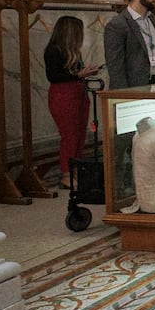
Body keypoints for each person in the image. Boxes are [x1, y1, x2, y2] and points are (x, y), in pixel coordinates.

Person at [44, 16, 100, 189]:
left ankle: (76, 169)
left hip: (78, 93)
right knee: (69, 136)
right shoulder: (54, 51)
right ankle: (66, 174)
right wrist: (78, 75)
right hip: (63, 95)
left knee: (80, 135)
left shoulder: (74, 52)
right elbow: (53, 76)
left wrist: (86, 73)